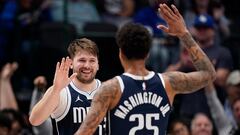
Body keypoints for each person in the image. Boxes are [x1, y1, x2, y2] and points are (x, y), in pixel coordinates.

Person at [74, 4, 216, 135]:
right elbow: (209, 74)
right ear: (148, 54)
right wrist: (184, 34)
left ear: (121, 53)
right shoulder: (169, 82)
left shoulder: (110, 89)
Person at [29, 38, 107, 135]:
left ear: (98, 64)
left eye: (92, 61)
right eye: (82, 60)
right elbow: (35, 120)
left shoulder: (108, 91)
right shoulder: (61, 91)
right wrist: (56, 89)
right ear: (71, 63)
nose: (87, 65)